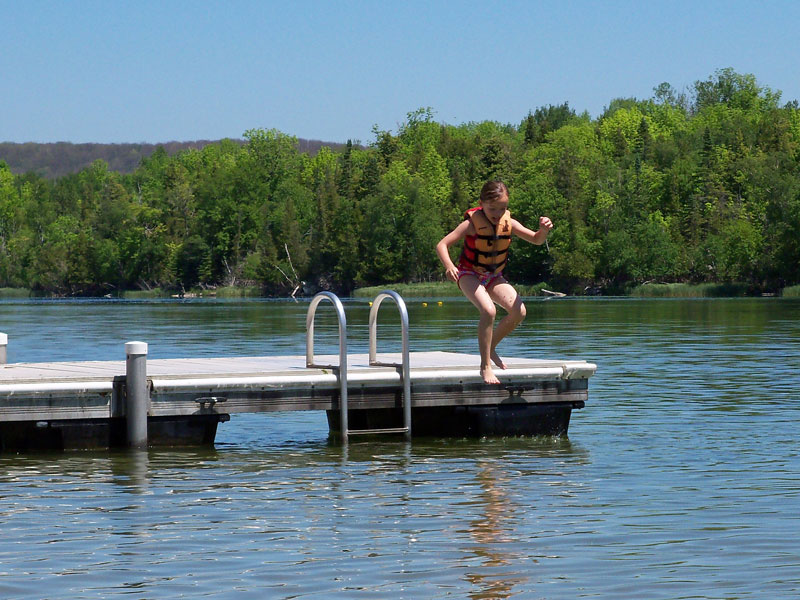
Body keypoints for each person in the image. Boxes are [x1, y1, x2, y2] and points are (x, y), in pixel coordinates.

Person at [435, 180, 553, 384]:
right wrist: (449, 265)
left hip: (492, 276)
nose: (498, 213)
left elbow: (536, 239)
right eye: (492, 208)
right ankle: (485, 366)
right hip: (468, 274)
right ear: (481, 203)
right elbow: (442, 244)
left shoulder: (509, 222)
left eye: (503, 208)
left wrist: (543, 231)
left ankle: (490, 349)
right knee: (489, 311)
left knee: (519, 312)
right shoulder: (471, 224)